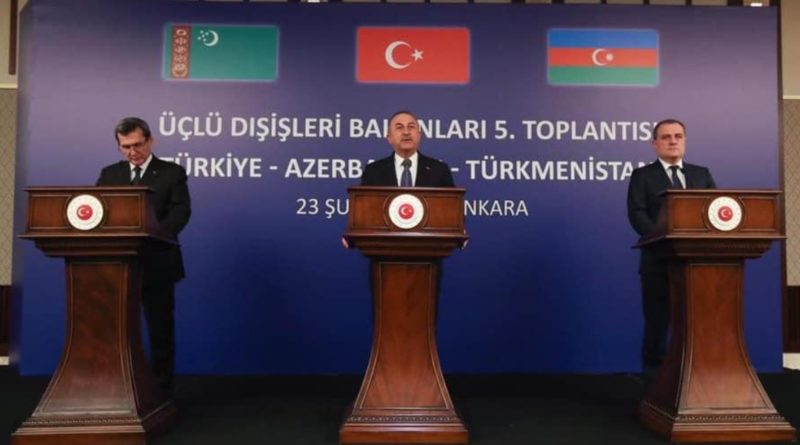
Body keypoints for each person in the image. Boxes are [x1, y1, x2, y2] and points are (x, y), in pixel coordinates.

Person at [96, 117, 191, 393]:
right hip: (118, 265)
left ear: (151, 141)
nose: (133, 152)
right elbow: (99, 212)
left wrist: (153, 236)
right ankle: (118, 388)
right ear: (119, 147)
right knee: (116, 330)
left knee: (160, 330)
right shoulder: (109, 174)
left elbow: (181, 212)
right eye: (126, 147)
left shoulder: (172, 172)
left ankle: (161, 391)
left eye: (138, 144)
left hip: (158, 263)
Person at [627, 118, 715, 375]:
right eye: (666, 137)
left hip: (697, 265)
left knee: (697, 325)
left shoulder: (702, 174)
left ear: (685, 141)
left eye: (678, 136)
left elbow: (714, 210)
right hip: (658, 263)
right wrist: (665, 240)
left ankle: (696, 380)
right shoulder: (642, 176)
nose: (673, 141)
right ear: (654, 144)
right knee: (657, 325)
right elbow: (637, 213)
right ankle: (654, 383)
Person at [360, 110, 455, 187]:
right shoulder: (373, 172)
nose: (406, 132)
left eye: (411, 127)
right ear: (389, 138)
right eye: (399, 127)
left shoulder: (439, 170)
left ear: (419, 135)